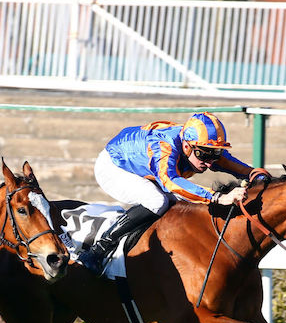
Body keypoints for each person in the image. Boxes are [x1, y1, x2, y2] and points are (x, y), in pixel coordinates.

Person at [77, 111, 267, 275]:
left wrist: (259, 175)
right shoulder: (165, 147)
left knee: (185, 204)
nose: (210, 163)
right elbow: (171, 182)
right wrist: (217, 197)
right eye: (204, 155)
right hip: (114, 167)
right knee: (157, 201)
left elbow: (239, 168)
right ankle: (99, 249)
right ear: (187, 146)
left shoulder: (203, 146)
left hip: (148, 171)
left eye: (215, 154)